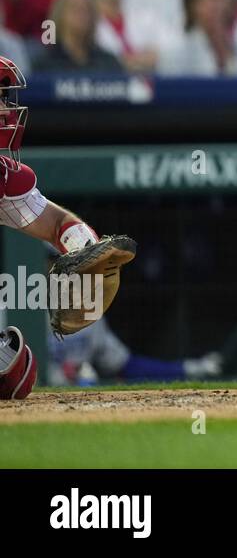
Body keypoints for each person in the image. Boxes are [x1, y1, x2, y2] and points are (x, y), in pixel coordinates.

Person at [0, 57, 136, 398]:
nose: (6, 110)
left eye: (5, 97)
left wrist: (83, 251)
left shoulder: (4, 177)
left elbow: (57, 222)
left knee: (17, 375)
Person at [47, 319, 222, 386]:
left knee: (88, 376)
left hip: (80, 385)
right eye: (52, 261)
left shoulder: (89, 309)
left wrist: (186, 369)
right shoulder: (28, 304)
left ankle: (189, 368)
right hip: (44, 384)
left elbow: (125, 365)